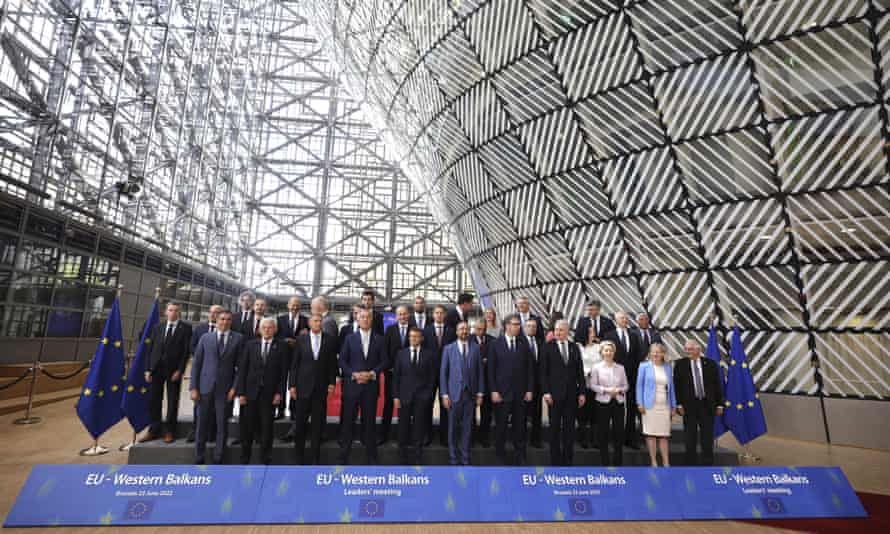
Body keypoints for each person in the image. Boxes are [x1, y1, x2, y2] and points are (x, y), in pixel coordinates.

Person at [190, 311, 243, 464]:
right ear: (216, 320)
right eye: (222, 319)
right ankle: (199, 457)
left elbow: (241, 368)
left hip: (225, 390)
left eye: (228, 319)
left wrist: (234, 389)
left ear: (231, 321)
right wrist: (193, 387)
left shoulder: (238, 339)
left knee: (222, 426)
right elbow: (197, 364)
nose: (225, 322)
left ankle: (218, 458)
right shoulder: (206, 338)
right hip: (204, 388)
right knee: (201, 425)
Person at [339, 307, 386, 464]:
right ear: (357, 320)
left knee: (370, 422)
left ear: (372, 320)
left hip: (370, 387)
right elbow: (342, 361)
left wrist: (372, 373)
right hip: (352, 386)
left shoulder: (380, 339)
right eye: (362, 317)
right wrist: (354, 374)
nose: (365, 320)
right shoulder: (349, 338)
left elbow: (385, 361)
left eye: (368, 317)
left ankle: (371, 457)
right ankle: (344, 455)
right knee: (348, 421)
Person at [290, 313, 338, 464]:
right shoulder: (301, 339)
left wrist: (332, 383)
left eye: (320, 321)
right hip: (302, 387)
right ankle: (299, 457)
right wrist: (291, 385)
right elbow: (295, 365)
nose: (318, 323)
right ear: (309, 323)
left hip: (321, 388)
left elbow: (332, 364)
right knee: (300, 425)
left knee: (318, 426)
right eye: (315, 321)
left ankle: (315, 458)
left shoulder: (329, 340)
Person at [237, 318, 287, 465]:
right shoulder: (250, 345)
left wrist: (279, 393)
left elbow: (283, 374)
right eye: (264, 327)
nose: (267, 330)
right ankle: (244, 458)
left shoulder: (282, 346)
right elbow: (242, 371)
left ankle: (265, 458)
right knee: (247, 428)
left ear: (275, 330)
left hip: (269, 395)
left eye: (270, 327)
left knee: (267, 429)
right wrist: (241, 393)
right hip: (249, 394)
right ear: (259, 329)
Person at [142, 301, 192, 443]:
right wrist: (147, 369)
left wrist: (180, 370)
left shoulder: (186, 328)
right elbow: (150, 349)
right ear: (166, 312)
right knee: (154, 401)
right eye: (170, 310)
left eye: (176, 310)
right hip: (156, 370)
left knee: (172, 401)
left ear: (180, 313)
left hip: (174, 371)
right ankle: (154, 429)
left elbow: (185, 352)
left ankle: (170, 431)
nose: (173, 313)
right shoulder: (158, 327)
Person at [489, 314, 534, 465]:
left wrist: (529, 390)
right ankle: (499, 455)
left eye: (518, 325)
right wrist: (494, 390)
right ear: (507, 326)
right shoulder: (495, 344)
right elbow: (491, 370)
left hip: (520, 393)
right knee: (500, 426)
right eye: (515, 324)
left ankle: (520, 455)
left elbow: (529, 369)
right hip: (501, 394)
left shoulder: (523, 344)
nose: (518, 327)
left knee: (520, 427)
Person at [540, 320, 586, 466]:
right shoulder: (547, 347)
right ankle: (555, 461)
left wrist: (582, 393)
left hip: (571, 395)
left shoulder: (574, 347)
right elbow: (543, 373)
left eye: (561, 330)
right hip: (554, 395)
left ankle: (568, 460)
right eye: (556, 330)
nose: (558, 332)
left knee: (569, 429)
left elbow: (580, 371)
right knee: (554, 428)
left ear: (567, 331)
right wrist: (546, 392)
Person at [439, 321, 484, 465]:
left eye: (466, 329)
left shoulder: (476, 349)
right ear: (456, 332)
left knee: (467, 427)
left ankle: (465, 457)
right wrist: (444, 395)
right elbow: (443, 374)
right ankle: (453, 457)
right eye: (461, 329)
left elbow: (480, 373)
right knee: (452, 427)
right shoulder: (448, 349)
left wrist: (480, 393)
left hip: (470, 395)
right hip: (453, 395)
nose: (464, 331)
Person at [674, 339, 724, 466]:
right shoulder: (680, 364)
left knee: (707, 439)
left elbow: (717, 385)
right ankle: (691, 466)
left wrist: (719, 404)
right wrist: (679, 404)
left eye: (690, 349)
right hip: (688, 406)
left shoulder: (711, 364)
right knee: (690, 438)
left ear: (698, 349)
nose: (687, 351)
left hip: (707, 406)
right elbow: (677, 386)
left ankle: (707, 466)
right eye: (686, 349)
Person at [393, 327, 436, 464]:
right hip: (404, 396)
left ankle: (418, 457)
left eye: (416, 336)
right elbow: (396, 377)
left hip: (421, 397)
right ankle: (401, 456)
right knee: (402, 427)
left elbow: (432, 377)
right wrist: (396, 397)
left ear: (421, 338)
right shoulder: (401, 354)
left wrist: (428, 394)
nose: (413, 339)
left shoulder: (429, 355)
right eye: (411, 336)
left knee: (419, 427)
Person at [605, 311, 642, 448]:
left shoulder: (634, 336)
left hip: (631, 378)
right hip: (614, 378)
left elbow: (637, 357)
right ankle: (616, 439)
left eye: (626, 318)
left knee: (631, 409)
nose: (625, 320)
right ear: (616, 320)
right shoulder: (609, 336)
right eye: (622, 318)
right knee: (614, 409)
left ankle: (630, 439)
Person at [187, 304, 223, 443]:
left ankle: (211, 433)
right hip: (202, 372)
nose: (215, 315)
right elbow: (192, 345)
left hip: (219, 376)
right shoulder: (200, 329)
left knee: (215, 408)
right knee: (199, 405)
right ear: (209, 314)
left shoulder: (227, 330)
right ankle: (195, 431)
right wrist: (202, 357)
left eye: (218, 312)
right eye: (213, 312)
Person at [637, 343, 677, 467]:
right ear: (650, 353)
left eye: (658, 352)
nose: (656, 354)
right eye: (653, 352)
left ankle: (666, 462)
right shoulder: (644, 366)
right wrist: (640, 403)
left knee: (664, 435)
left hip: (664, 405)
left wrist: (673, 405)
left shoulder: (668, 367)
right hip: (649, 406)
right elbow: (639, 386)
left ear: (663, 354)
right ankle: (654, 461)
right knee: (651, 434)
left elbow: (671, 388)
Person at [589, 340, 628, 466]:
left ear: (614, 352)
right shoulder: (596, 368)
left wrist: (619, 390)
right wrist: (606, 390)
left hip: (618, 402)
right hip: (602, 402)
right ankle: (604, 462)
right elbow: (592, 385)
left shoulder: (620, 368)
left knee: (619, 432)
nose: (608, 352)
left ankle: (618, 462)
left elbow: (626, 385)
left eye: (611, 350)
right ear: (602, 352)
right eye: (606, 350)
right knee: (603, 432)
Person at [423, 304, 455, 446]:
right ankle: (426, 436)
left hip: (447, 374)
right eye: (436, 313)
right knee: (427, 404)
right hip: (429, 374)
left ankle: (444, 438)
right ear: (433, 314)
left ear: (445, 315)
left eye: (441, 313)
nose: (439, 315)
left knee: (446, 406)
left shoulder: (452, 331)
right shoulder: (426, 330)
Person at [380, 305, 412, 444]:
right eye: (400, 314)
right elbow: (385, 352)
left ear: (408, 315)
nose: (402, 316)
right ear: (396, 316)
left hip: (409, 377)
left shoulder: (414, 330)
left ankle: (403, 437)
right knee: (388, 404)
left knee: (407, 407)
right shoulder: (390, 330)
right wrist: (389, 368)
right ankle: (383, 435)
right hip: (392, 374)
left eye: (405, 314)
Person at [277, 296, 309, 425]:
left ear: (300, 306)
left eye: (297, 305)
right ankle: (280, 409)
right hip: (283, 355)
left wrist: (296, 341)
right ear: (288, 305)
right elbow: (276, 336)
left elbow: (307, 337)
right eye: (292, 305)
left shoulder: (306, 320)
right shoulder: (280, 319)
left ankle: (294, 410)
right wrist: (285, 340)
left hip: (298, 356)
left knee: (296, 384)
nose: (294, 307)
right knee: (281, 383)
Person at [469, 319, 495, 447]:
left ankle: (484, 438)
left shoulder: (492, 340)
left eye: (483, 329)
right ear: (474, 328)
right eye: (478, 329)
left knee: (486, 413)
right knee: (470, 413)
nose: (481, 332)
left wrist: (487, 361)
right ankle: (472, 438)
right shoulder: (468, 340)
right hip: (472, 382)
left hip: (488, 382)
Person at [577, 324, 602, 448]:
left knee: (596, 414)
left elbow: (603, 363)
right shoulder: (577, 347)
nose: (593, 334)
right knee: (582, 413)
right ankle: (583, 439)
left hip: (597, 385)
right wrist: (587, 372)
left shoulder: (599, 347)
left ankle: (595, 439)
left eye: (594, 332)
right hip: (583, 384)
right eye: (591, 332)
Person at [523, 317, 543, 448]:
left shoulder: (541, 343)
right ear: (525, 327)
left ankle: (536, 440)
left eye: (534, 326)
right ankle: (522, 440)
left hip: (538, 384)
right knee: (522, 415)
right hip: (522, 384)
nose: (531, 328)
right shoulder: (519, 343)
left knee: (537, 414)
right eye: (529, 326)